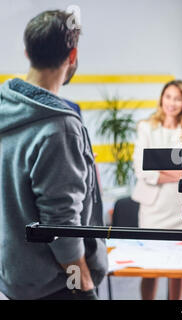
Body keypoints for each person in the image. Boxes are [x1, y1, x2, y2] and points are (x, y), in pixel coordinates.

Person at [0, 10, 108, 299]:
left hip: (15, 281)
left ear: (27, 52)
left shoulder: (6, 108)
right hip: (59, 285)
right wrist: (82, 280)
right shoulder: (60, 126)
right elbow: (60, 222)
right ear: (72, 56)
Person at [132, 79, 182, 300]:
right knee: (150, 268)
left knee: (177, 269)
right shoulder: (146, 127)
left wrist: (161, 168)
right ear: (162, 98)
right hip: (153, 210)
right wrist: (177, 171)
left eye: (177, 98)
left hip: (181, 208)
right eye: (168, 96)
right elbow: (142, 169)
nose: (172, 103)